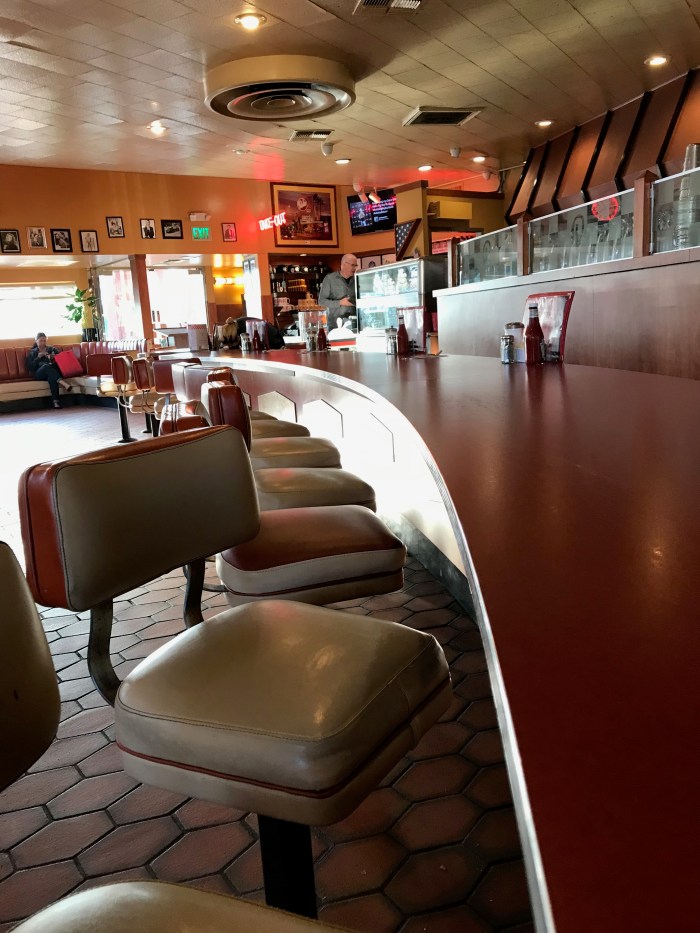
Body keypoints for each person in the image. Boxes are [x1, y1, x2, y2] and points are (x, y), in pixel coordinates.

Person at [26, 332, 72, 409]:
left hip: (52, 372)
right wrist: (38, 358)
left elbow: (61, 360)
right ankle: (64, 383)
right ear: (36, 341)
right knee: (45, 366)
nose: (43, 343)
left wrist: (54, 358)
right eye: (41, 341)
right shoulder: (32, 352)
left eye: (44, 341)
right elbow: (30, 367)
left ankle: (56, 402)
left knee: (51, 377)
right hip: (39, 374)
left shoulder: (52, 349)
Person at [318, 254, 359, 322]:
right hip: (335, 323)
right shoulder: (330, 279)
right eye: (352, 265)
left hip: (355, 322)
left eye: (356, 265)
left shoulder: (357, 279)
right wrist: (340, 303)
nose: (354, 268)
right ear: (343, 265)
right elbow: (321, 301)